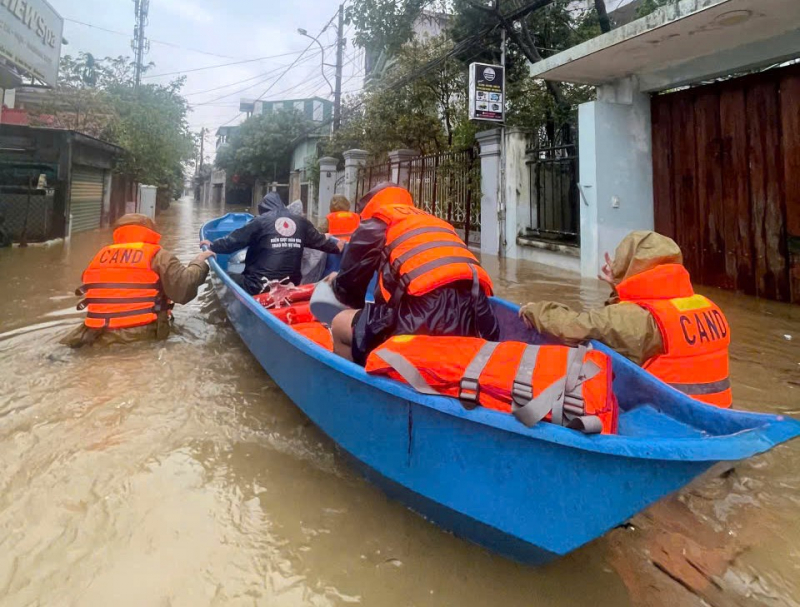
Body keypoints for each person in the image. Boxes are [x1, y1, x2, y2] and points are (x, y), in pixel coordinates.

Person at [520, 231, 732, 407]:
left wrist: (535, 310)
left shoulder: (637, 318)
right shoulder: (707, 306)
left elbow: (571, 327)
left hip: (669, 418)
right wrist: (619, 290)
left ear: (627, 266)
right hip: (718, 413)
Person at [327, 182, 500, 365]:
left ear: (369, 207)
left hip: (423, 321)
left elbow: (348, 290)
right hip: (481, 319)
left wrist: (336, 282)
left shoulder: (377, 222)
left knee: (339, 324)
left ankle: (365, 376)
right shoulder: (435, 222)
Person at [62, 213, 214, 347]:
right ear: (150, 231)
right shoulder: (158, 255)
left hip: (93, 334)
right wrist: (199, 262)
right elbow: (183, 290)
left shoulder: (100, 256)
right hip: (140, 335)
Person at [200, 191, 342, 295]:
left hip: (258, 286)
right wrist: (336, 248)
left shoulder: (259, 221)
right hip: (291, 284)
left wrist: (212, 246)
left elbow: (233, 241)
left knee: (227, 277)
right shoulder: (301, 221)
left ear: (264, 209)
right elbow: (320, 241)